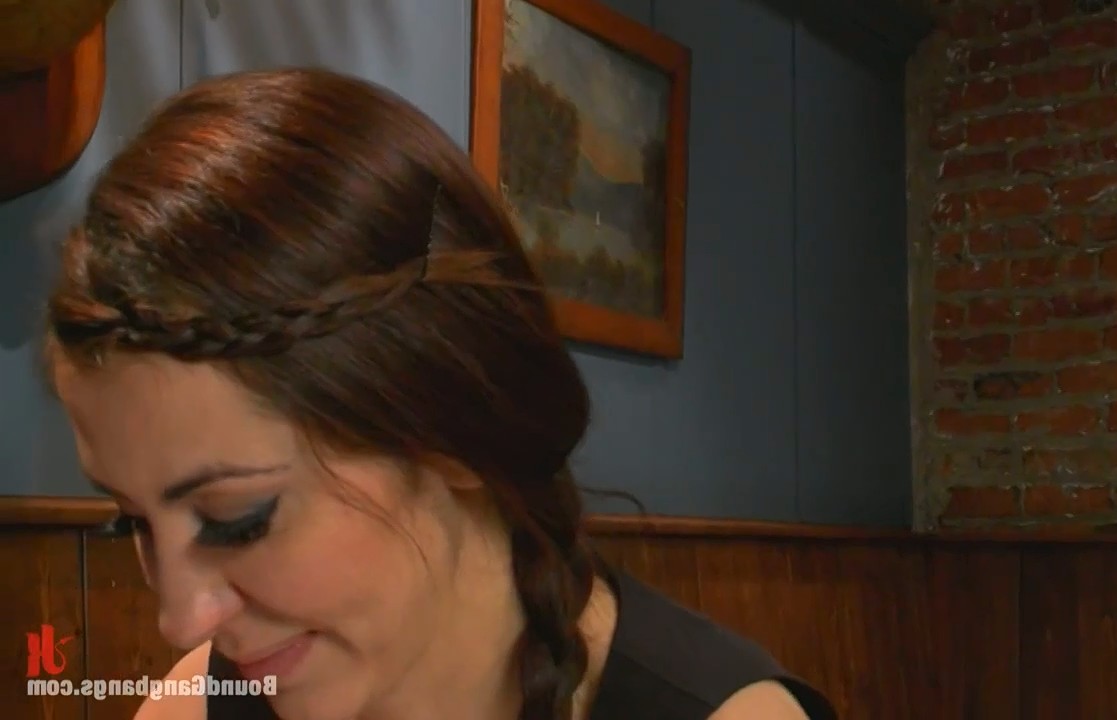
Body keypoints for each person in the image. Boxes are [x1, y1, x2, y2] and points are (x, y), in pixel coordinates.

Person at [43, 67, 838, 720]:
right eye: (133, 522)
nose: (181, 619)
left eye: (238, 519)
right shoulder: (192, 708)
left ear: (456, 429)